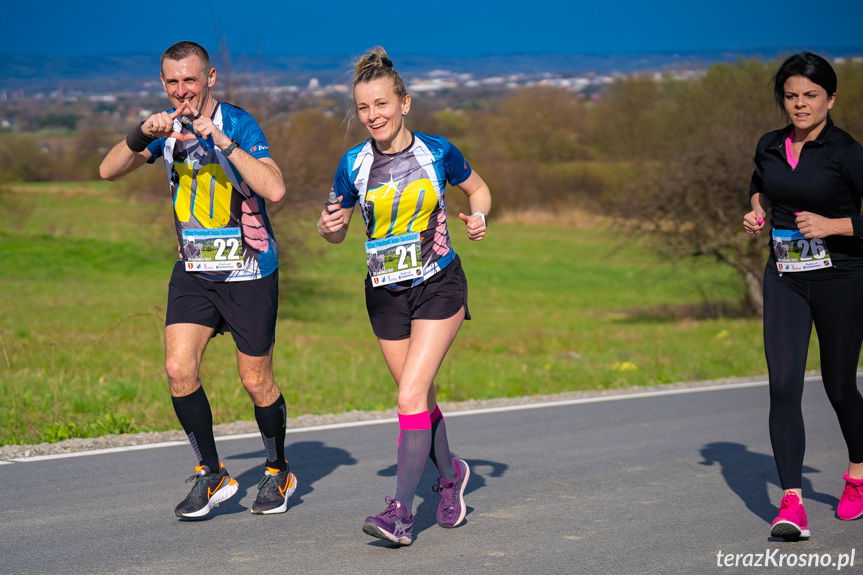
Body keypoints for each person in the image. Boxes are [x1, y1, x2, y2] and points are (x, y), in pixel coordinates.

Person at [99, 41, 297, 519]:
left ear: (210, 78)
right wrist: (139, 133)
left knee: (255, 381)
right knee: (177, 370)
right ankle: (212, 473)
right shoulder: (165, 130)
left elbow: (275, 188)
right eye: (172, 82)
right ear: (162, 84)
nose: (181, 90)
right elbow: (107, 171)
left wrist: (221, 141)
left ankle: (277, 471)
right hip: (194, 271)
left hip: (249, 270)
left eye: (190, 80)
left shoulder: (238, 123)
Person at [317, 46, 491, 545]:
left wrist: (479, 216)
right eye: (364, 108)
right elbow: (335, 229)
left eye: (382, 105)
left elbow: (479, 190)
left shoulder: (437, 152)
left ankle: (400, 512)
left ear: (405, 103)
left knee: (409, 395)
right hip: (384, 294)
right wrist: (328, 228)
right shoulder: (351, 164)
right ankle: (451, 474)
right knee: (420, 400)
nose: (373, 115)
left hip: (439, 285)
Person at [743, 52, 863, 540]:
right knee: (783, 384)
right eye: (791, 96)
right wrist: (757, 211)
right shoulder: (770, 146)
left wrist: (834, 225)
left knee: (838, 387)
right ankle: (791, 503)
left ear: (830, 99)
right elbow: (760, 190)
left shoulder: (846, 152)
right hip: (786, 274)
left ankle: (857, 475)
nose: (800, 105)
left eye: (810, 96)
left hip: (843, 278)